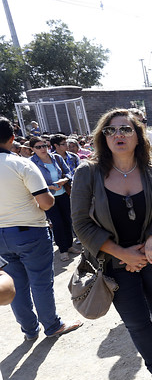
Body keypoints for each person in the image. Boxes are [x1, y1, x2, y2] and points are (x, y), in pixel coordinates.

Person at [71, 108, 152, 380]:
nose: (118, 135)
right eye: (111, 130)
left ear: (138, 136)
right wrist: (123, 254)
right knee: (136, 322)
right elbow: (81, 224)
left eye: (125, 129)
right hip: (114, 262)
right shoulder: (87, 172)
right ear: (102, 137)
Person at [0, 117, 82, 341]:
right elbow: (46, 202)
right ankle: (52, 325)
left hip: (2, 236)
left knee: (15, 285)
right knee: (40, 282)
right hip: (30, 232)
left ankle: (29, 330)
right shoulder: (22, 164)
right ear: (13, 138)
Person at [29, 136, 81, 262]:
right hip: (47, 196)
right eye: (38, 147)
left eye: (45, 146)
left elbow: (68, 172)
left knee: (67, 220)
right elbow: (31, 182)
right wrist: (48, 187)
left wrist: (64, 180)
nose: (43, 149)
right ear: (32, 149)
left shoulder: (56, 157)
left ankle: (69, 246)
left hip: (63, 194)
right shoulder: (31, 163)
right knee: (57, 223)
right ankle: (62, 249)